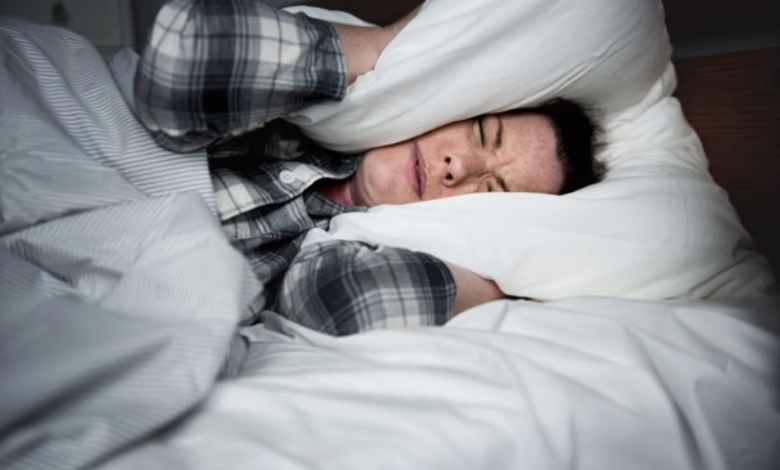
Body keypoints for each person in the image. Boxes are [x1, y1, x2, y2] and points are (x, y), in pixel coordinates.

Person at [135, 0, 604, 336]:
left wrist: (499, 286)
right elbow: (182, 60)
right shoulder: (301, 112)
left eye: (492, 192)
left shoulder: (339, 256)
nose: (457, 165)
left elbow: (345, 301)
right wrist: (405, 55)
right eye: (482, 132)